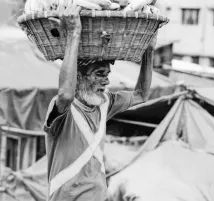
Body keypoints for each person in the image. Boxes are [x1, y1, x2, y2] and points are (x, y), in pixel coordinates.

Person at [43, 3, 155, 201]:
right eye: (99, 74)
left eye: (107, 74)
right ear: (78, 77)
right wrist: (74, 33)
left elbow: (141, 94)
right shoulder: (63, 109)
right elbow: (66, 94)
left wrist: (149, 50)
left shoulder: (105, 103)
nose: (106, 80)